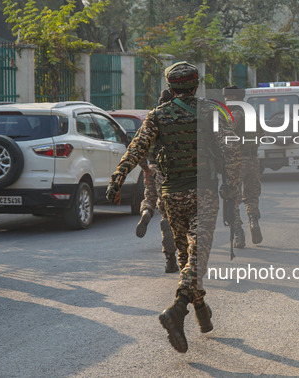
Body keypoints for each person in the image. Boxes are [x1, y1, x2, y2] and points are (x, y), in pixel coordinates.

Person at [105, 62, 240, 353]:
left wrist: (118, 177)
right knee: (197, 257)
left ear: (169, 87)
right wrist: (231, 187)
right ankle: (177, 310)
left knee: (186, 257)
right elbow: (231, 151)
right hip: (202, 193)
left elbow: (137, 148)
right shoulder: (210, 112)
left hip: (170, 196)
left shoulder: (158, 115)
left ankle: (202, 309)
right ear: (196, 85)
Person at [135, 89, 179, 273]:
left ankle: (146, 211)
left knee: (154, 200)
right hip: (177, 171)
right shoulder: (179, 120)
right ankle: (181, 258)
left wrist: (146, 169)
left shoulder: (151, 120)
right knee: (176, 215)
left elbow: (138, 150)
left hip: (155, 169)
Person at [222, 85, 263, 248]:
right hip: (253, 159)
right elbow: (261, 134)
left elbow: (227, 134)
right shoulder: (251, 112)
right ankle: (253, 220)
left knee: (233, 198)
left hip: (237, 161)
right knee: (252, 196)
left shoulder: (235, 113)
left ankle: (238, 233)